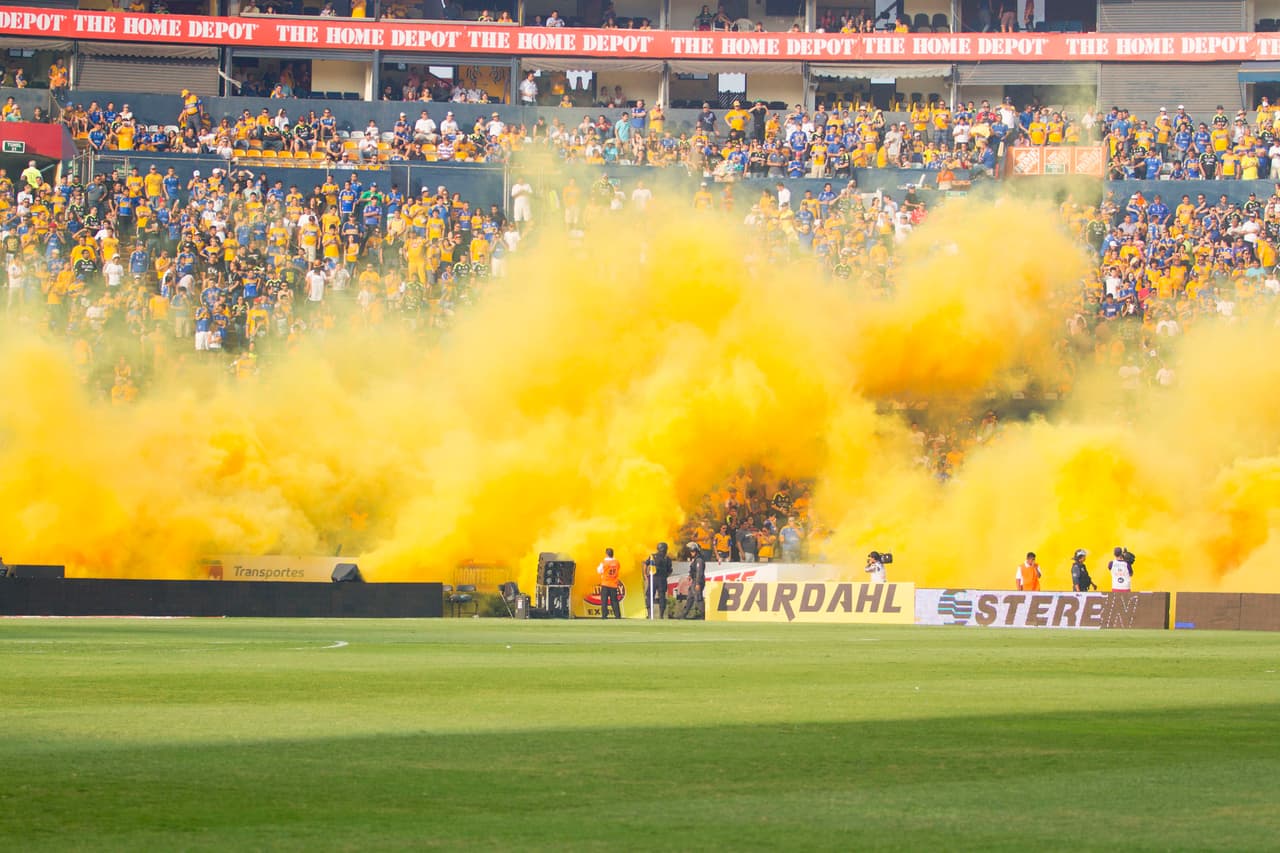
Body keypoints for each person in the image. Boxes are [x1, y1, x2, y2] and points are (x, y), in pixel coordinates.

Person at [644, 541, 672, 619]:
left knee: (649, 595)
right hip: (662, 579)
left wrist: (645, 574)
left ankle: (649, 613)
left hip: (653, 578)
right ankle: (661, 615)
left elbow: (646, 564)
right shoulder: (667, 558)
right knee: (662, 597)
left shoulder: (653, 556)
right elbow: (670, 570)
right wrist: (665, 576)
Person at [681, 542, 706, 619]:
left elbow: (699, 572)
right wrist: (690, 575)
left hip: (697, 581)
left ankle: (704, 615)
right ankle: (683, 615)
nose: (692, 553)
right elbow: (693, 570)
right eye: (691, 551)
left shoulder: (699, 560)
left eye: (693, 551)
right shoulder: (695, 559)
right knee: (690, 598)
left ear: (696, 551)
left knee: (698, 598)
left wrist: (698, 583)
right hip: (695, 580)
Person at [596, 547, 622, 619]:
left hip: (605, 584)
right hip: (613, 584)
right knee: (614, 601)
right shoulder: (617, 562)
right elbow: (618, 568)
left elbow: (599, 571)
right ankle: (617, 615)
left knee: (604, 600)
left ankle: (604, 615)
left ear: (606, 554)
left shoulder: (604, 562)